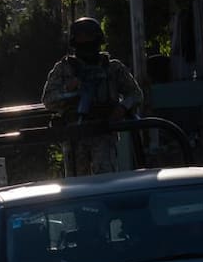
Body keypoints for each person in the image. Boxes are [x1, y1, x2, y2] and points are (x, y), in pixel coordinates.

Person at [42, 16, 143, 175]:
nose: (86, 42)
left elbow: (136, 94)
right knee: (76, 187)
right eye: (81, 38)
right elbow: (48, 100)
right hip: (75, 134)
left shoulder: (113, 68)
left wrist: (123, 107)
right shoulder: (64, 69)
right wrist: (68, 89)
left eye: (89, 37)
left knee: (106, 182)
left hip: (104, 131)